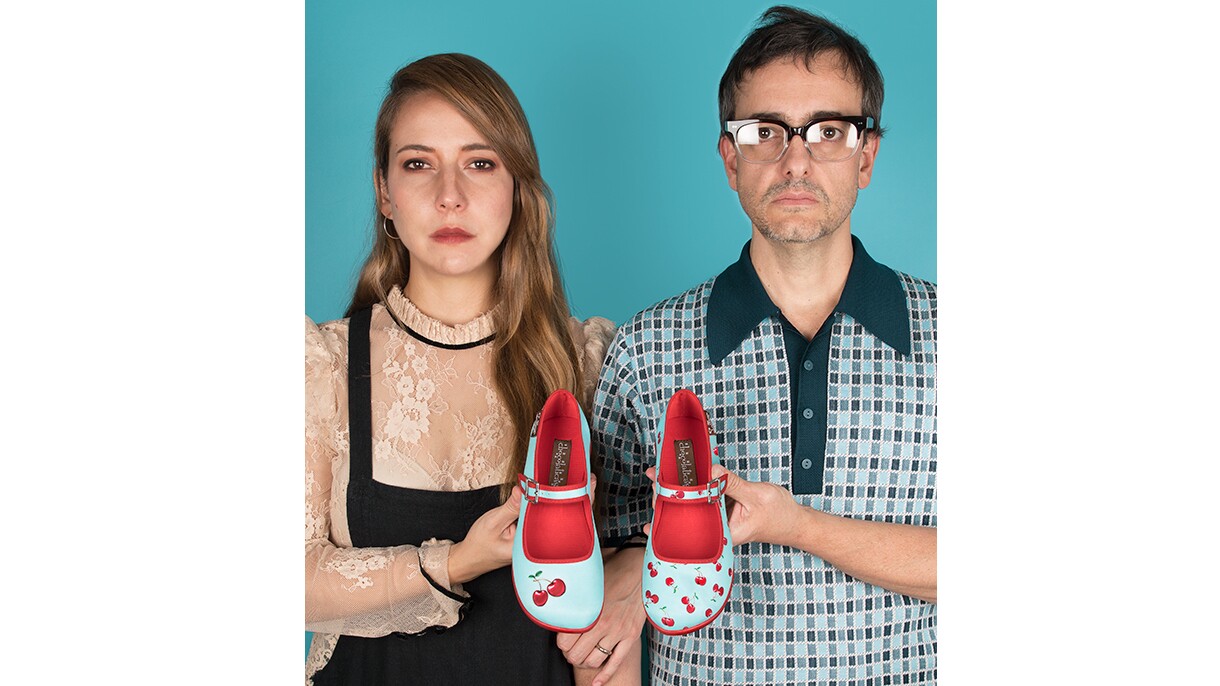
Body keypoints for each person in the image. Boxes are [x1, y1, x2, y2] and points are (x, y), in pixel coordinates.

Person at [563, 7, 937, 685]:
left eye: (828, 130)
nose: (795, 159)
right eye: (765, 132)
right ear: (730, 158)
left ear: (867, 156)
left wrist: (796, 525)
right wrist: (621, 580)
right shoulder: (645, 350)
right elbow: (609, 587)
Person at [304, 53, 616, 685]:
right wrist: (454, 562)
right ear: (384, 193)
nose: (450, 196)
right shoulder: (323, 366)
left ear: (517, 189)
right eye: (419, 164)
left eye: (480, 163)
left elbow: (635, 571)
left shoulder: (589, 362)